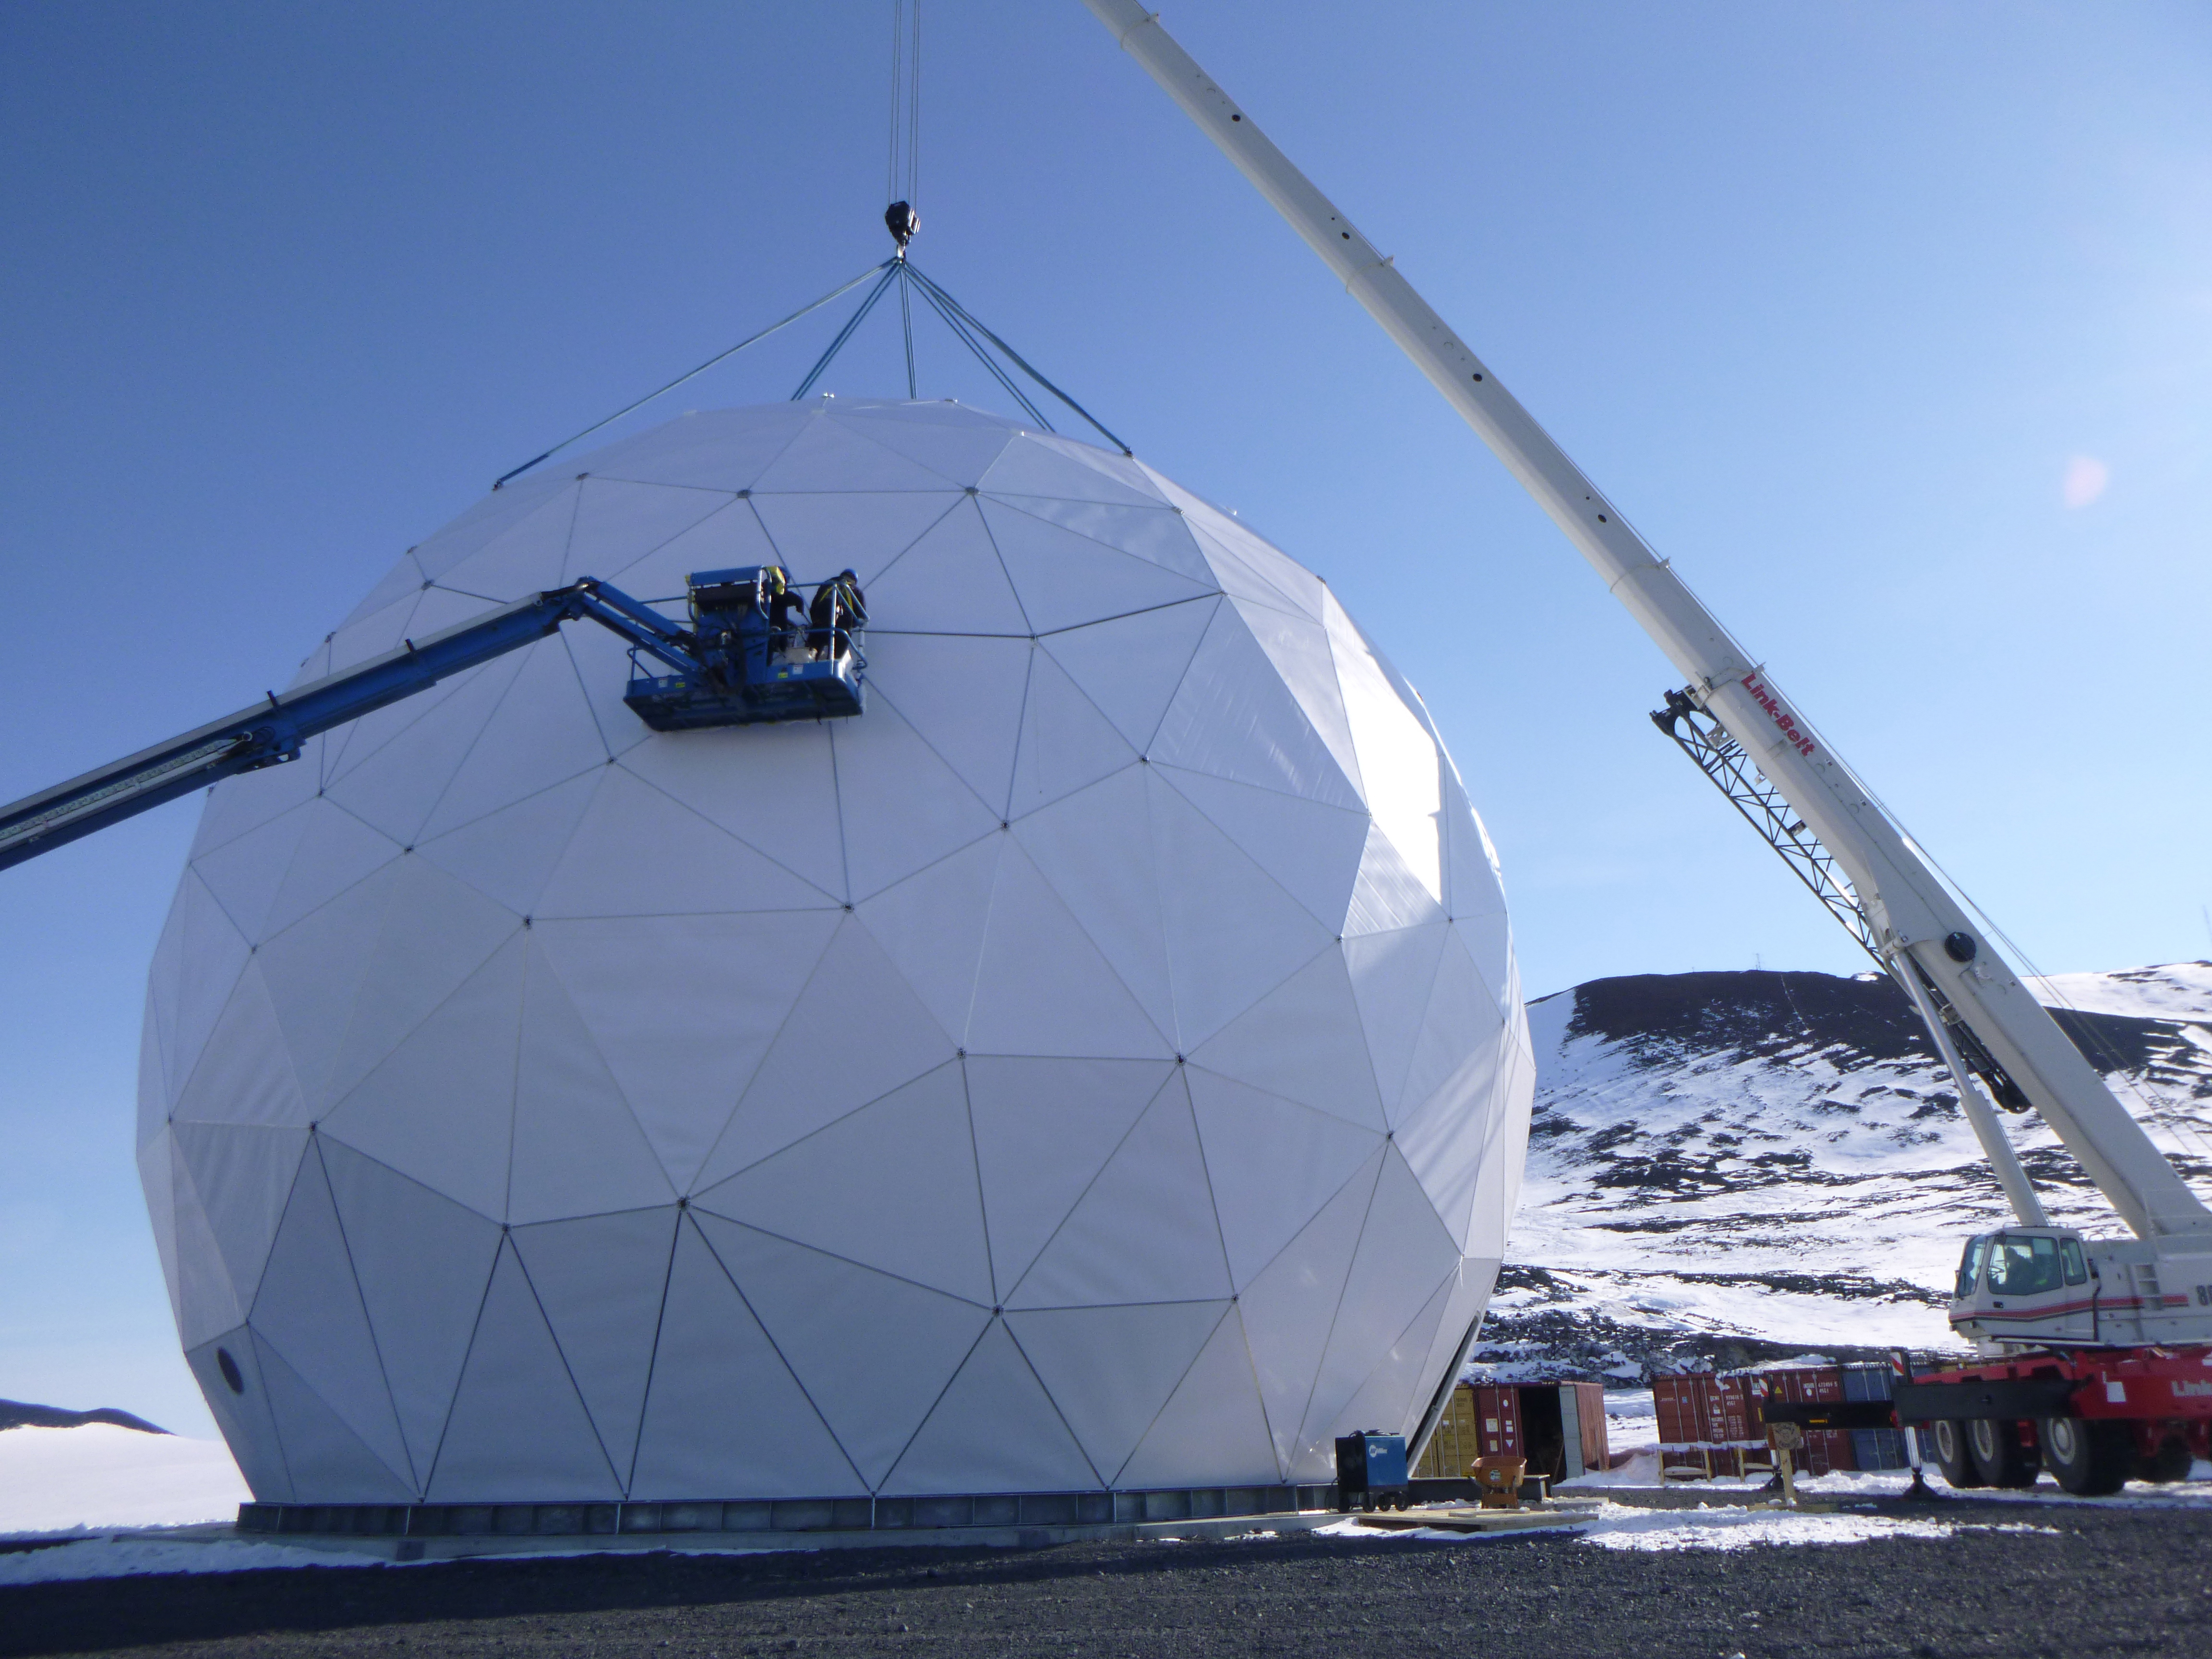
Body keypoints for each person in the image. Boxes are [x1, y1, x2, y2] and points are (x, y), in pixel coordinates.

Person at [808, 568, 867, 661]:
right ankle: (830, 666)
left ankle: (809, 665)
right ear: (854, 581)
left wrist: (816, 621)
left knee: (810, 656)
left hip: (818, 627)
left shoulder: (827, 586)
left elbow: (814, 607)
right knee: (836, 659)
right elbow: (862, 617)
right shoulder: (856, 591)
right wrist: (851, 626)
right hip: (841, 630)